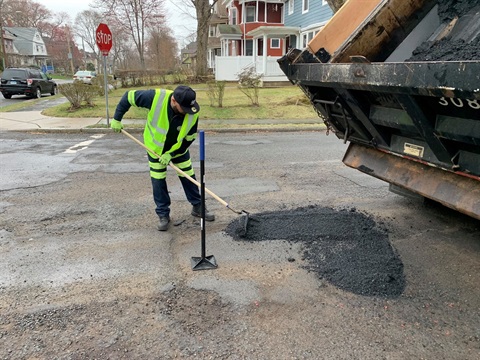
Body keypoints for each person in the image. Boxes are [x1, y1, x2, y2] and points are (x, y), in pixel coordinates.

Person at [110, 85, 215, 231]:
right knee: (158, 180)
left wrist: (171, 154)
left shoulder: (192, 111)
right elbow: (128, 97)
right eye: (182, 108)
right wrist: (117, 118)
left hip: (178, 149)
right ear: (173, 100)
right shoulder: (155, 98)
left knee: (188, 176)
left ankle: (198, 207)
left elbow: (189, 138)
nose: (186, 112)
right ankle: (163, 214)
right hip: (155, 149)